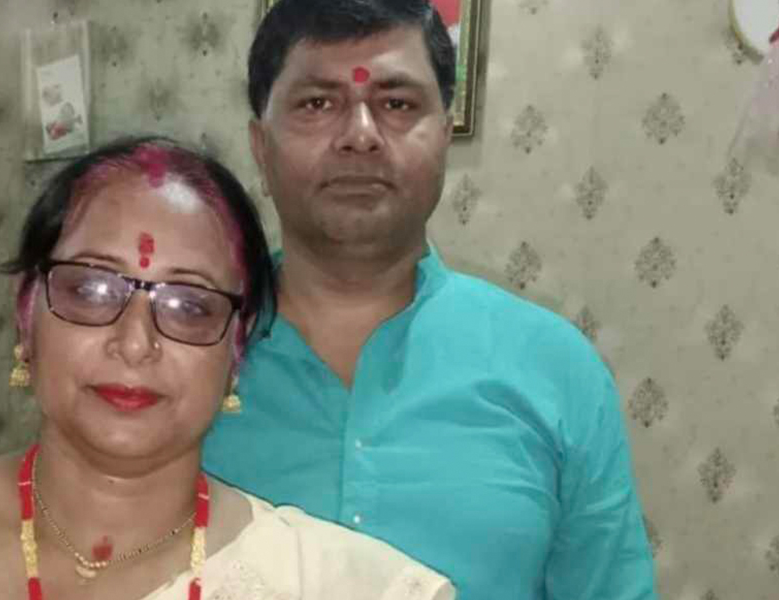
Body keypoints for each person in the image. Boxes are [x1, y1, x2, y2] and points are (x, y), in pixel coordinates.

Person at [0, 137, 456, 600]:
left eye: (190, 304)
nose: (135, 343)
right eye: (90, 288)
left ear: (236, 349)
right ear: (26, 314)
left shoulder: (345, 587)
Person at [202, 1, 659, 599]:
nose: (359, 136)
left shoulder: (556, 370)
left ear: (444, 135)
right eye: (317, 103)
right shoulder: (182, 351)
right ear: (261, 145)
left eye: (396, 104)